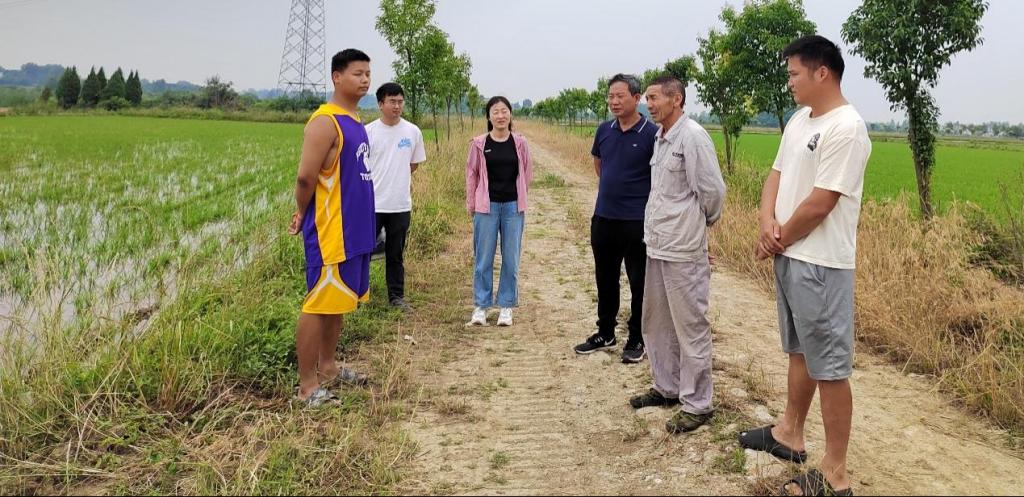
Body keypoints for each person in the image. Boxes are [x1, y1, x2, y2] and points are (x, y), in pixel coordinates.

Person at [738, 35, 871, 497]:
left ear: (822, 72)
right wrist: (766, 222)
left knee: (830, 365)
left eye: (795, 73)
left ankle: (835, 473)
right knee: (800, 350)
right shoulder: (800, 119)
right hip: (791, 255)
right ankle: (789, 433)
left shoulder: (847, 128)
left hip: (821, 263)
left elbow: (821, 202)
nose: (790, 82)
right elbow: (775, 176)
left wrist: (777, 239)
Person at [627, 75, 726, 434]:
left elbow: (712, 192)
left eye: (654, 98)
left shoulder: (693, 137)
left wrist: (698, 225)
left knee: (690, 326)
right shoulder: (661, 137)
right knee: (656, 321)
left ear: (676, 99)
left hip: (684, 248)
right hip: (657, 244)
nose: (648, 104)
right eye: (648, 98)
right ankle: (666, 387)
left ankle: (698, 404)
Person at [287, 48, 375, 407]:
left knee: (336, 302)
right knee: (318, 303)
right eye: (357, 73)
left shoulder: (355, 120)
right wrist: (300, 212)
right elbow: (305, 178)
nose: (365, 79)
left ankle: (328, 369)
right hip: (330, 232)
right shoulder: (325, 122)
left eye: (368, 73)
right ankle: (307, 387)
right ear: (337, 77)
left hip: (355, 231)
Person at [573, 74, 658, 363]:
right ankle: (605, 332)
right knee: (605, 279)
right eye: (610, 96)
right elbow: (600, 165)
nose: (614, 101)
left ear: (636, 98)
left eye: (620, 96)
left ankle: (637, 337)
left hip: (637, 222)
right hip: (604, 217)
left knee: (639, 283)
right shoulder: (604, 130)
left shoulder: (652, 134)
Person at [465, 96, 533, 327]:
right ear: (488, 116)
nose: (501, 115)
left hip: (513, 207)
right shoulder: (479, 143)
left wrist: (521, 196)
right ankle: (481, 306)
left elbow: (527, 173)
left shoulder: (520, 143)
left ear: (510, 114)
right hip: (486, 207)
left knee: (510, 259)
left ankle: (506, 305)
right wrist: (472, 204)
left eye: (504, 111)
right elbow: (471, 174)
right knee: (483, 258)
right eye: (495, 111)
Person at [365, 82, 427, 313]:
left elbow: (413, 164)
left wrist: (397, 178)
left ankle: (396, 297)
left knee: (395, 253)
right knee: (363, 252)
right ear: (380, 104)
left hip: (400, 204)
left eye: (400, 101)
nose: (397, 106)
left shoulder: (412, 132)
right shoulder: (368, 132)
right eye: (392, 101)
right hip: (372, 204)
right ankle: (359, 294)